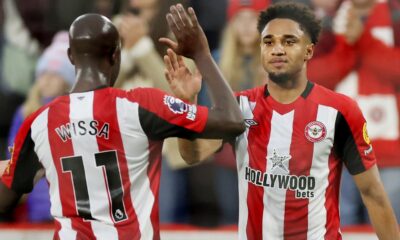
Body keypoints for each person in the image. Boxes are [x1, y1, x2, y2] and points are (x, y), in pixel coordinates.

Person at [0, 6, 244, 239]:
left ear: (70, 57)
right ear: (116, 54)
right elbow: (232, 120)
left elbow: (5, 200)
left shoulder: (39, 123)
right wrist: (201, 54)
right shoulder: (142, 105)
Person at [165, 2, 400, 239]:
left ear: (309, 51)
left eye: (289, 41)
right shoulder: (239, 107)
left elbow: (373, 194)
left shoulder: (339, 110)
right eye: (269, 42)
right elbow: (192, 154)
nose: (277, 49)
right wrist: (187, 103)